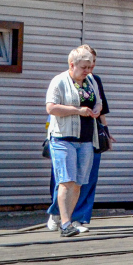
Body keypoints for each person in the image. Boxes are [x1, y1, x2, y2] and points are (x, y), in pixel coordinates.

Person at [47, 45, 113, 233]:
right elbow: (50, 108)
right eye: (84, 67)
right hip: (63, 138)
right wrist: (77, 111)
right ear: (72, 64)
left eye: (91, 66)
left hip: (87, 138)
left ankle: (74, 218)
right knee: (65, 180)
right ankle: (63, 221)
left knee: (80, 181)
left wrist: (102, 122)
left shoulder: (92, 81)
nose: (88, 71)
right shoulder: (59, 81)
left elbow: (100, 104)